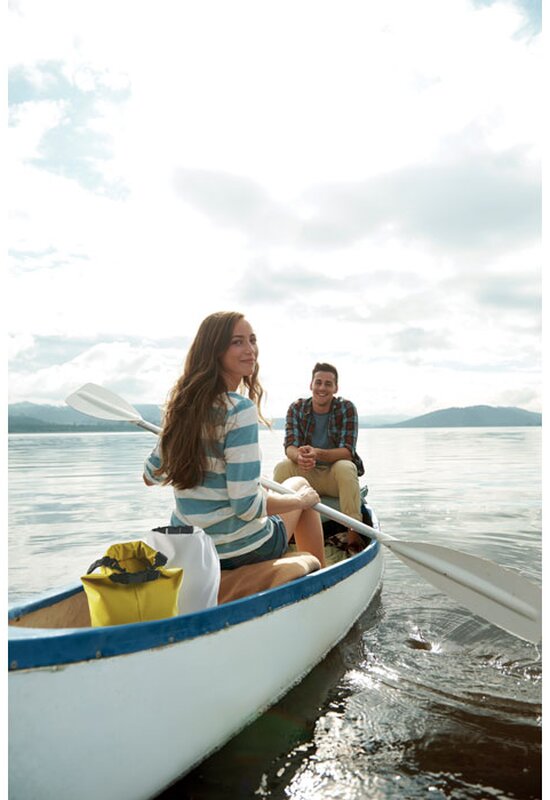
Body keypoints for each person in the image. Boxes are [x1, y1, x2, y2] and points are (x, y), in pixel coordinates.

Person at [143, 311, 326, 569]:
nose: (250, 349)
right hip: (241, 550)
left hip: (193, 549)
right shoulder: (239, 410)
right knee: (300, 485)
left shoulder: (182, 409)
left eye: (252, 340)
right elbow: (246, 507)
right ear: (214, 351)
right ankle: (322, 577)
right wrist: (300, 501)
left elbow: (151, 476)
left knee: (270, 486)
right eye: (237, 342)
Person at [273, 362, 365, 552]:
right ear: (311, 385)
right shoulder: (297, 408)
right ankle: (278, 532)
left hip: (334, 478)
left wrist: (317, 453)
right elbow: (290, 446)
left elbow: (348, 451)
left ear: (335, 388)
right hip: (307, 475)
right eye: (318, 382)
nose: (322, 388)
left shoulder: (346, 408)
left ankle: (353, 534)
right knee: (282, 467)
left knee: (346, 466)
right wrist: (299, 457)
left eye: (328, 384)